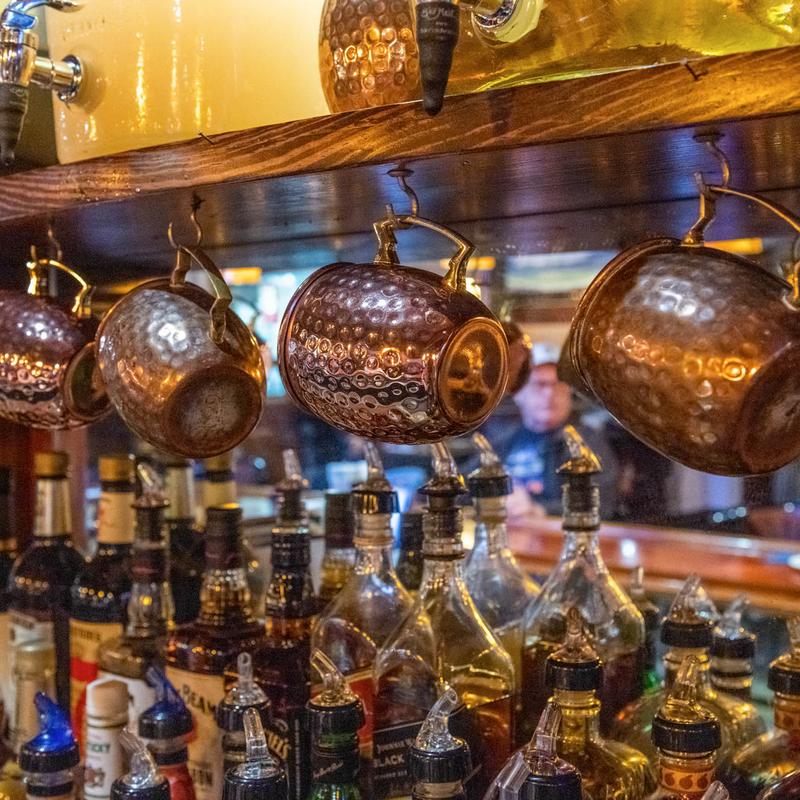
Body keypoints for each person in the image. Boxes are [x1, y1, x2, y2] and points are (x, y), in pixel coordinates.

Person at [493, 342, 619, 518]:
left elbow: (601, 504)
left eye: (558, 384)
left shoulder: (586, 443)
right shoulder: (503, 441)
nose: (549, 394)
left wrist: (538, 510)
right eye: (540, 385)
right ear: (518, 393)